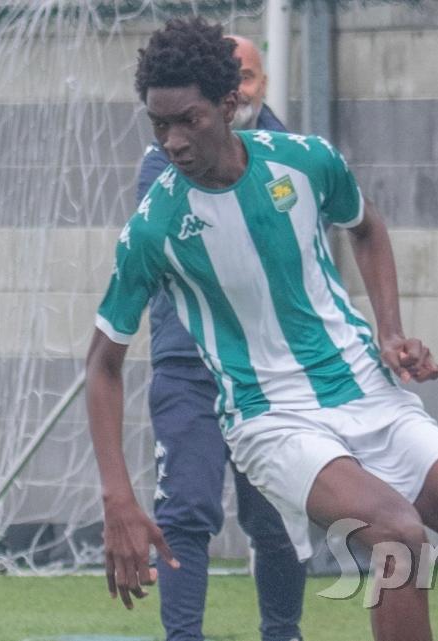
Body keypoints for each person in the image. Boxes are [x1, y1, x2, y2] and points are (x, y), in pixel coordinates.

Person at [86, 17, 438, 641]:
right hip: (271, 418)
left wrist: (390, 331)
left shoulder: (304, 161)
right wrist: (118, 497)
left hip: (367, 391)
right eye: (160, 125)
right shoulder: (154, 225)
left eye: (189, 120)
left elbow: (366, 226)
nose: (174, 141)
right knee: (397, 535)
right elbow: (102, 364)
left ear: (229, 104)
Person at [135, 34, 306, 641]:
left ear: (254, 88)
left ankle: (282, 633)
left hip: (268, 370)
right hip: (189, 366)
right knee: (185, 511)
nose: (240, 90)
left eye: (249, 77)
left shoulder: (295, 157)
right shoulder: (164, 162)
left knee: (276, 516)